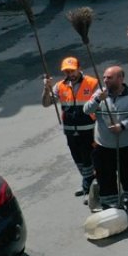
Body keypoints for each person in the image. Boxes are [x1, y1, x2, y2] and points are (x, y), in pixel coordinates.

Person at [83, 66, 128, 210]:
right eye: (104, 77)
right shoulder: (100, 93)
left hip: (126, 145)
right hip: (103, 147)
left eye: (109, 78)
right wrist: (97, 100)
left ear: (120, 78)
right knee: (105, 177)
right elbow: (86, 110)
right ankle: (110, 205)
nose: (105, 80)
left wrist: (123, 125)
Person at [42, 56, 100, 198]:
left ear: (79, 69)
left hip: (88, 130)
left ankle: (90, 190)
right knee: (78, 160)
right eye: (67, 71)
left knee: (89, 161)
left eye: (72, 71)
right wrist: (46, 89)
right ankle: (89, 186)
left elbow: (102, 103)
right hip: (70, 131)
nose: (70, 74)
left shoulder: (92, 83)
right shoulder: (60, 86)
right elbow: (46, 103)